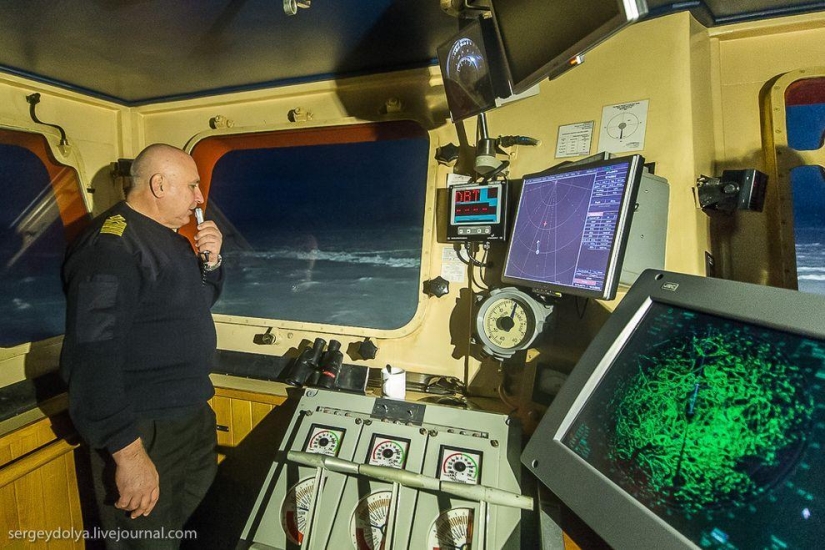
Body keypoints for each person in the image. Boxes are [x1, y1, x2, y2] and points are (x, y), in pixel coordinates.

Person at [60, 143, 224, 548]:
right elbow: (91, 357)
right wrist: (128, 454)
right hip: (143, 428)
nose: (200, 198)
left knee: (192, 533)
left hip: (188, 417)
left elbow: (198, 302)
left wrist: (213, 261)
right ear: (159, 184)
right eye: (192, 186)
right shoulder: (110, 248)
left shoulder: (170, 240)